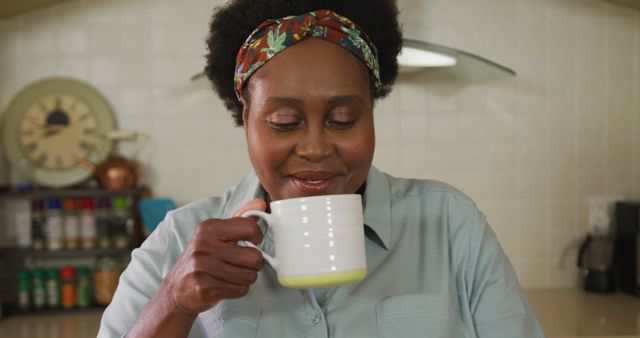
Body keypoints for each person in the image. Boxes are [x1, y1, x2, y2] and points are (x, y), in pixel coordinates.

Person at [98, 1, 545, 337]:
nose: (314, 148)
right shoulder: (179, 240)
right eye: (284, 123)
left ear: (371, 113)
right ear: (246, 120)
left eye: (343, 120)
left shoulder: (449, 224)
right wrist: (173, 303)